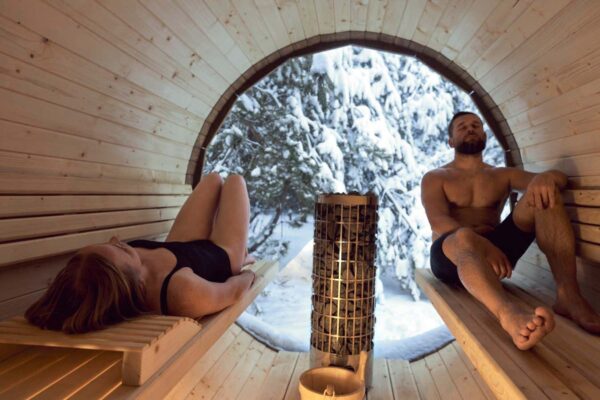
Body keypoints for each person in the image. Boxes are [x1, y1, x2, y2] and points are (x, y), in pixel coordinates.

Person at [421, 111, 600, 350]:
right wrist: (481, 244)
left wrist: (545, 179)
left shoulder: (501, 175)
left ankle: (569, 295)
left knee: (543, 194)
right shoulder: (436, 177)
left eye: (476, 125)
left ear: (485, 135)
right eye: (462, 126)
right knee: (464, 237)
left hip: (495, 254)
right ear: (451, 141)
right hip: (451, 255)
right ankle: (509, 315)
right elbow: (438, 221)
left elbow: (558, 178)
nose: (470, 128)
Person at [26, 173, 257, 333]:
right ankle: (239, 253)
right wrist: (247, 273)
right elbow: (233, 292)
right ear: (136, 283)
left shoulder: (116, 269)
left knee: (213, 179)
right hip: (222, 254)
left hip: (181, 246)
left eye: (110, 244)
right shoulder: (181, 293)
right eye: (121, 249)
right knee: (235, 181)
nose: (116, 240)